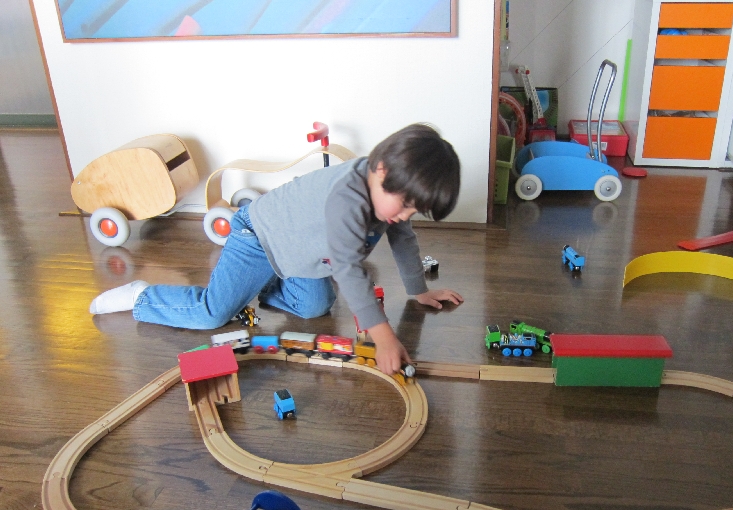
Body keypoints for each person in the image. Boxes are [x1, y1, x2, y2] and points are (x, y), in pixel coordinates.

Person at [89, 123, 463, 375]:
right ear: (381, 170)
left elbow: (403, 239)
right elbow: (349, 269)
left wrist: (419, 290)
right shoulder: (349, 198)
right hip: (257, 239)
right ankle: (142, 297)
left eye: (414, 210)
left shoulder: (389, 196)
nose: (404, 216)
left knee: (315, 306)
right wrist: (383, 337)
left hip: (299, 256)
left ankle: (253, 286)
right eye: (405, 205)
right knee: (212, 314)